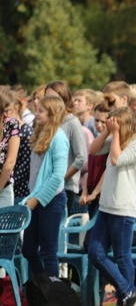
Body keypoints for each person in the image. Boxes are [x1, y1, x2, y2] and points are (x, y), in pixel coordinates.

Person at [88, 107, 136, 306]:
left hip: (123, 206)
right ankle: (129, 293)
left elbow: (116, 160)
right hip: (107, 205)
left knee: (122, 257)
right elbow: (93, 150)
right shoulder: (118, 137)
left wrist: (115, 133)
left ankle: (127, 298)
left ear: (127, 125)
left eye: (117, 125)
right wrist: (107, 131)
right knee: (95, 252)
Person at [22, 96, 69, 276]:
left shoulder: (58, 137)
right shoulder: (41, 133)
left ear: (53, 114)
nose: (36, 113)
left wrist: (37, 199)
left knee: (48, 251)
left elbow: (57, 176)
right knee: (29, 249)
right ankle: (43, 286)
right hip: (35, 198)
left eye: (41, 111)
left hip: (51, 199)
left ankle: (52, 296)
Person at [45, 80, 88, 211]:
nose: (50, 101)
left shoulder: (72, 123)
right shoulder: (46, 121)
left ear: (64, 99)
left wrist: (60, 178)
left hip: (65, 186)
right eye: (47, 98)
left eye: (54, 97)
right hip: (45, 186)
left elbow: (81, 158)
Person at [5, 91, 33, 202]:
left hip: (20, 192)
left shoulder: (26, 132)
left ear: (15, 109)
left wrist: (7, 180)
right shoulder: (7, 130)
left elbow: (25, 166)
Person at [0, 91, 20, 207]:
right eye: (5, 111)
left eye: (10, 110)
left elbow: (10, 161)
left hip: (4, 187)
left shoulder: (12, 124)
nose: (7, 114)